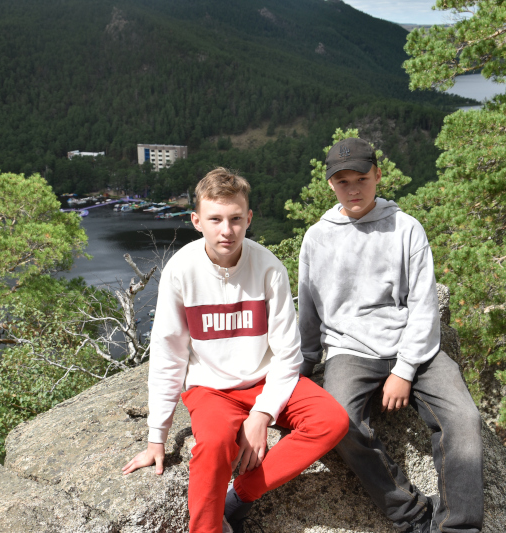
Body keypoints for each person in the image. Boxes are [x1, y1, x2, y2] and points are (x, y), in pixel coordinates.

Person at [122, 168, 348, 533]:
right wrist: (156, 437)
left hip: (266, 379)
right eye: (215, 219)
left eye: (235, 219)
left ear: (249, 218)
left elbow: (288, 354)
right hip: (211, 389)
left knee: (331, 420)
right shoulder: (181, 271)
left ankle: (241, 494)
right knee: (213, 446)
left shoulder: (269, 268)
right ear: (196, 221)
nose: (226, 230)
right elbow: (168, 356)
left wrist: (261, 415)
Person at [298, 138, 484, 533]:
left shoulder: (406, 228)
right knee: (339, 420)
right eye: (343, 181)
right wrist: (304, 365)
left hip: (413, 347)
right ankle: (410, 514)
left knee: (463, 417)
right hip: (349, 350)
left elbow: (424, 305)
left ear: (378, 176)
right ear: (330, 184)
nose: (353, 189)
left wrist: (404, 369)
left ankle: (458, 527)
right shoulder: (317, 237)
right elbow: (309, 309)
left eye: (362, 179)